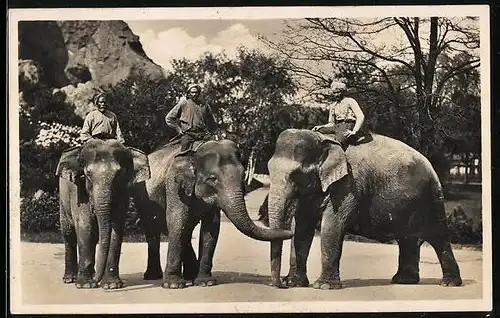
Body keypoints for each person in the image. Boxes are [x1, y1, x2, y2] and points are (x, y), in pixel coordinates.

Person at [165, 84, 218, 151]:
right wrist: (178, 129)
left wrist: (212, 131)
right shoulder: (183, 104)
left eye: (196, 92)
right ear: (189, 93)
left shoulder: (204, 105)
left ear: (199, 93)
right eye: (192, 92)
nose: (194, 94)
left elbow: (212, 121)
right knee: (184, 152)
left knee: (216, 147)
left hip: (203, 134)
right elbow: (169, 118)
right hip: (188, 134)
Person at [312, 81, 365, 146]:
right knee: (314, 133)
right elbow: (331, 123)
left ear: (342, 92)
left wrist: (354, 131)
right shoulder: (333, 105)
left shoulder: (350, 101)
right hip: (336, 126)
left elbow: (360, 116)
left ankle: (340, 155)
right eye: (334, 93)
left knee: (338, 142)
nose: (335, 94)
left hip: (348, 125)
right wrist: (321, 126)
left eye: (338, 92)